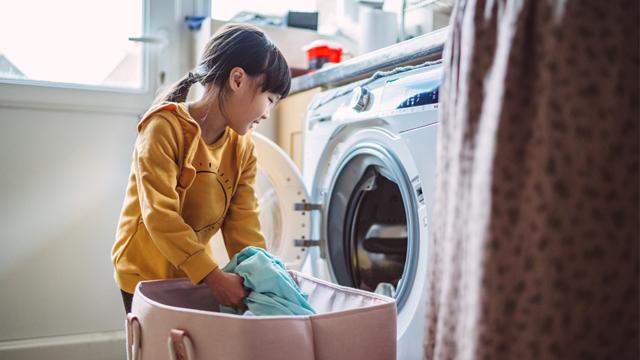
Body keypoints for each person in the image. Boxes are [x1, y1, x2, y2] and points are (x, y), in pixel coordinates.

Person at [111, 23, 291, 314]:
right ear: (237, 79)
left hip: (191, 271)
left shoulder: (242, 148)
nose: (267, 113)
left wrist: (263, 273)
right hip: (142, 272)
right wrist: (214, 277)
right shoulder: (164, 127)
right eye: (269, 99)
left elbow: (243, 223)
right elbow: (160, 214)